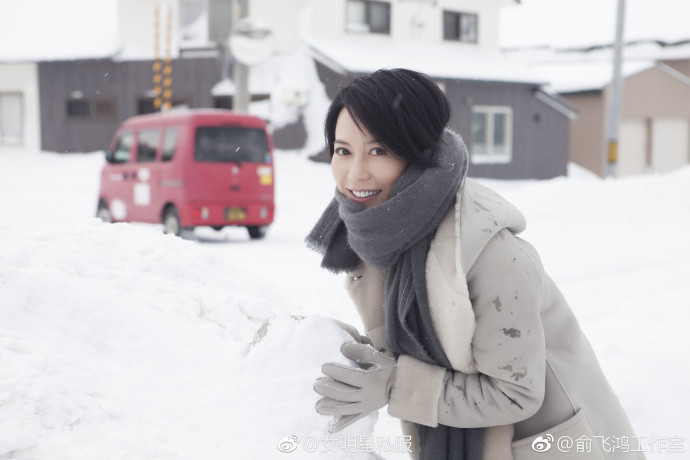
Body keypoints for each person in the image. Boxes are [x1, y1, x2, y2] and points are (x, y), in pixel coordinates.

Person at [305, 68, 644, 460]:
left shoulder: (491, 255)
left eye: (379, 150)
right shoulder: (380, 234)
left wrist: (396, 385)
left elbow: (514, 394)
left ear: (418, 154)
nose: (355, 174)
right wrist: (331, 349)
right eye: (343, 150)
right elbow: (409, 350)